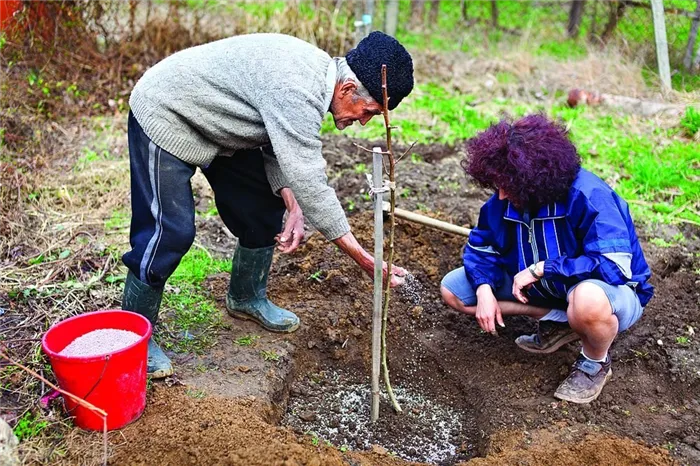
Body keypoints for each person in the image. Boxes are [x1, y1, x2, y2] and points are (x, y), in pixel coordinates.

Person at [122, 32, 414, 378]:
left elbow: (278, 144)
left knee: (261, 209)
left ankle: (245, 298)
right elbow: (309, 179)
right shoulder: (296, 87)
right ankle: (133, 339)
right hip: (168, 113)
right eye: (368, 112)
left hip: (222, 122)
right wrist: (366, 259)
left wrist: (293, 205)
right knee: (169, 232)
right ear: (348, 90)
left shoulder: (317, 83)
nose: (363, 122)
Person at [440, 115, 653, 404]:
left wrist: (544, 268)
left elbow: (613, 266)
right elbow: (480, 247)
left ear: (533, 178)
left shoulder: (588, 196)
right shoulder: (503, 202)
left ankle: (594, 363)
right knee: (455, 290)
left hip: (611, 295)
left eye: (507, 185)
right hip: (552, 293)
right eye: (496, 185)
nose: (500, 194)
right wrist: (484, 289)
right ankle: (561, 322)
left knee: (587, 300)